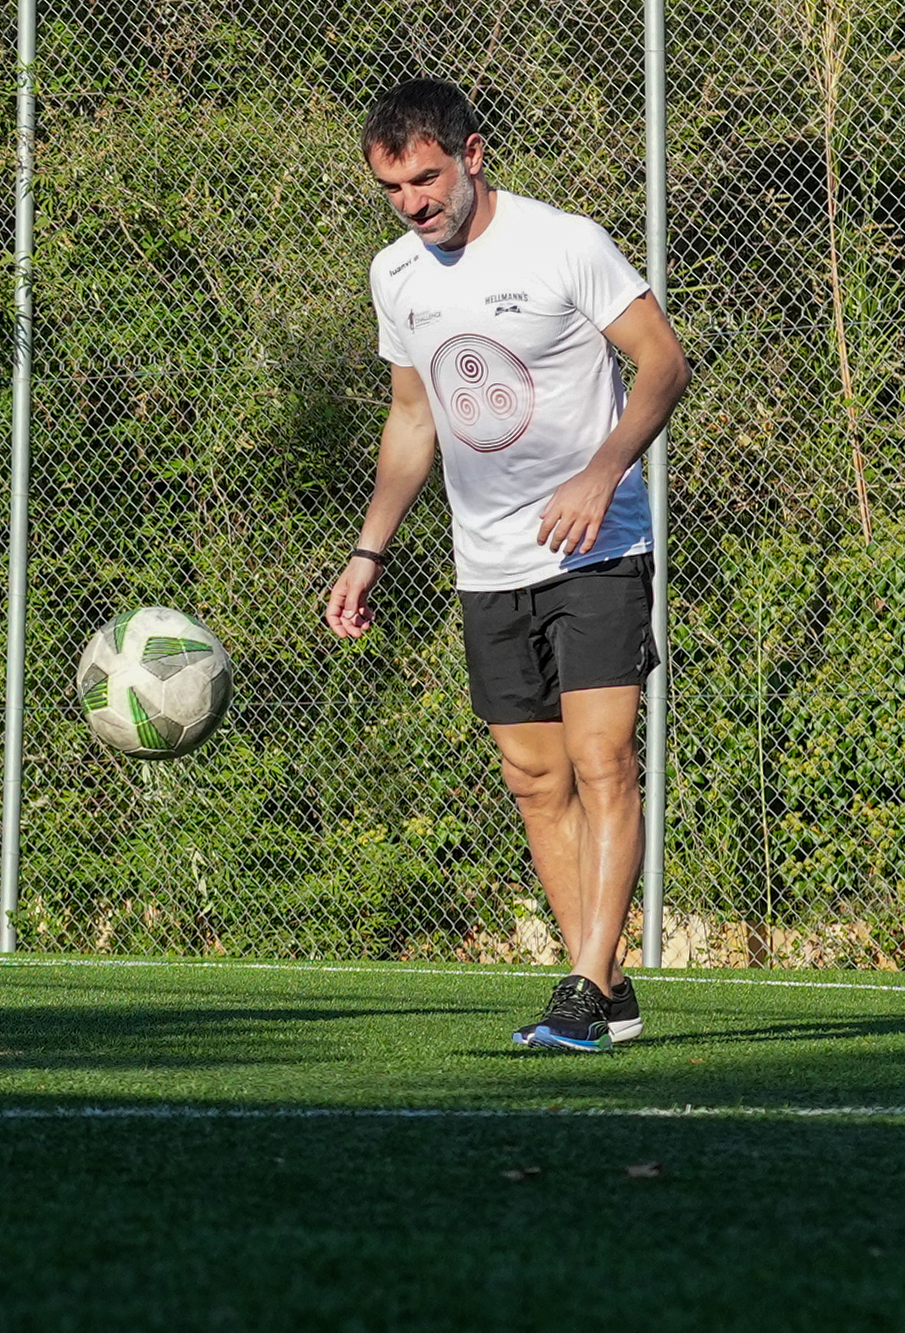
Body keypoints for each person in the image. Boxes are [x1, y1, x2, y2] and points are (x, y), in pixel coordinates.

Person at [324, 80, 689, 1052]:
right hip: (483, 564)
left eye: (426, 177)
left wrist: (601, 470)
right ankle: (604, 986)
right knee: (534, 779)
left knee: (601, 755)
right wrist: (369, 549)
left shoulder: (564, 241)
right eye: (392, 186)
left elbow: (661, 363)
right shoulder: (393, 276)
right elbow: (412, 418)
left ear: (472, 154)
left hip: (597, 545)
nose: (412, 201)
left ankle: (575, 987)